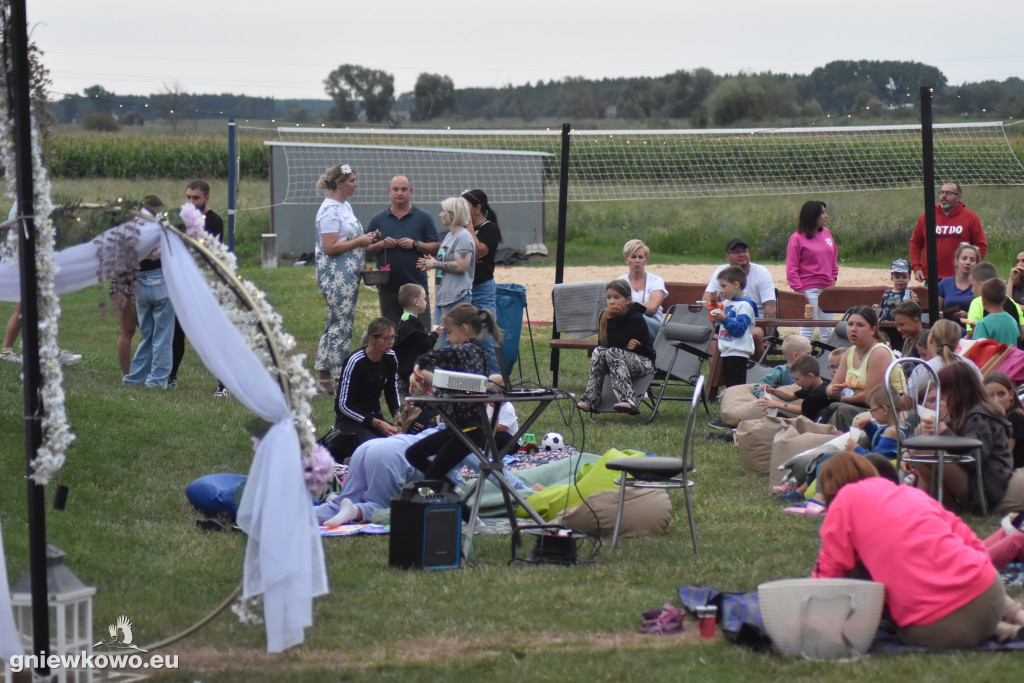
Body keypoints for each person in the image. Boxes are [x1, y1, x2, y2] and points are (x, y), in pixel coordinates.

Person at [813, 452, 1022, 648]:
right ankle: (1014, 619)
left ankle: (995, 629)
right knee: (971, 570)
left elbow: (829, 575)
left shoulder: (844, 500)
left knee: (864, 581)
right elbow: (972, 542)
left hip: (939, 627)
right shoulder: (911, 493)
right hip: (990, 594)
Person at [404, 304, 503, 485]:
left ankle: (460, 507)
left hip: (468, 431)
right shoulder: (480, 351)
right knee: (414, 454)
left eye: (449, 332)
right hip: (458, 429)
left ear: (464, 329)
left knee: (432, 476)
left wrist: (419, 362)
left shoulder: (465, 350)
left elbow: (441, 354)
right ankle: (453, 491)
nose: (448, 339)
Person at [910, 362, 1013, 516]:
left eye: (944, 390)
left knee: (925, 450)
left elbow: (972, 460)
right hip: (981, 482)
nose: (942, 396)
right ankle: (933, 507)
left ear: (956, 390)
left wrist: (944, 433)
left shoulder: (980, 416)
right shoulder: (967, 412)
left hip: (987, 488)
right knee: (920, 450)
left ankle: (950, 511)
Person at [313, 163, 379, 397]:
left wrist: (367, 239)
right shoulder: (329, 210)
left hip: (348, 274)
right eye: (352, 180)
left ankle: (323, 379)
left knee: (337, 323)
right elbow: (330, 247)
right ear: (340, 183)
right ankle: (340, 377)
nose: (356, 184)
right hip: (335, 276)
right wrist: (360, 242)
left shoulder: (345, 206)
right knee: (340, 325)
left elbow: (349, 238)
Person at [170, 180, 225, 393]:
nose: (191, 201)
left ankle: (224, 383)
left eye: (196, 198)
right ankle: (171, 376)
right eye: (188, 197)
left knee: (210, 336)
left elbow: (209, 253)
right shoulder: (179, 220)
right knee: (176, 332)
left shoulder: (214, 221)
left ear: (206, 199)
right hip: (183, 284)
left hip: (205, 286)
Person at [365, 175, 441, 329]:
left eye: (404, 189)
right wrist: (381, 244)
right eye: (396, 189)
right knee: (390, 333)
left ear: (410, 191)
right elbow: (366, 252)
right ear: (389, 191)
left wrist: (415, 244)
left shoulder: (424, 218)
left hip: (416, 286)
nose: (399, 193)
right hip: (388, 287)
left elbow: (436, 247)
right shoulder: (378, 220)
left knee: (420, 332)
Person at [575, 279, 656, 413]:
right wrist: (624, 344)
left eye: (617, 297)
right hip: (616, 359)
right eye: (609, 297)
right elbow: (604, 345)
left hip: (643, 363)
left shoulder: (635, 317)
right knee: (598, 351)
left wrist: (613, 321)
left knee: (612, 351)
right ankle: (591, 399)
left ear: (628, 300)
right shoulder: (604, 315)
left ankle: (628, 399)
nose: (612, 301)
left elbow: (614, 346)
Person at [331, 317, 401, 462]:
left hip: (375, 416)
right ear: (372, 339)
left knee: (400, 443)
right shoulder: (355, 361)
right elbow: (343, 405)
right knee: (375, 449)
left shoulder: (391, 357)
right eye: (385, 338)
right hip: (350, 421)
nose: (391, 342)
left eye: (393, 337)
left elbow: (391, 389)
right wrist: (376, 422)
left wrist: (397, 412)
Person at [123, 195, 175, 388]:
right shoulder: (161, 227)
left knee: (147, 335)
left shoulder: (132, 230)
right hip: (159, 279)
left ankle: (135, 377)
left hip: (140, 283)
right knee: (162, 336)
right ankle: (156, 380)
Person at [824, 306, 898, 430]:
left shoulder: (879, 352)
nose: (853, 329)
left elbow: (870, 396)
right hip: (859, 404)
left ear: (873, 330)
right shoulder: (849, 352)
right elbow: (831, 386)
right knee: (819, 402)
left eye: (860, 325)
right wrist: (832, 391)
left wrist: (842, 398)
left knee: (841, 410)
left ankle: (830, 443)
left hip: (885, 408)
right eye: (850, 324)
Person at [703, 236, 777, 354]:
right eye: (736, 252)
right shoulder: (721, 273)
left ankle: (755, 370)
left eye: (744, 251)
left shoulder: (761, 273)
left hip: (756, 322)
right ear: (727, 256)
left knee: (754, 334)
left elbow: (770, 309)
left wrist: (768, 337)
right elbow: (706, 300)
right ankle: (718, 373)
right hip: (727, 319)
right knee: (712, 341)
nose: (742, 254)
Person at [417, 197, 475, 338]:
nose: (440, 214)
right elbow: (446, 262)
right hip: (443, 300)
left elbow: (461, 266)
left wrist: (435, 263)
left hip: (457, 300)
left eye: (443, 211)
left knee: (453, 345)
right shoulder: (449, 235)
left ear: (452, 215)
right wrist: (430, 263)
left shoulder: (464, 237)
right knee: (442, 345)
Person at [909, 182, 988, 282]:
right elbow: (916, 242)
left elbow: (981, 245)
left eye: (948, 193)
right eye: (941, 192)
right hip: (932, 278)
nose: (944, 196)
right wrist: (916, 267)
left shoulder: (970, 217)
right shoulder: (928, 215)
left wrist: (971, 266)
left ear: (958, 197)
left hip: (959, 279)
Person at [463, 189, 503, 374]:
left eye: (465, 206)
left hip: (482, 289)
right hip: (463, 289)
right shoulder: (463, 229)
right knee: (464, 336)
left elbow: (479, 251)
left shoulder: (490, 228)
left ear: (478, 208)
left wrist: (470, 227)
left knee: (486, 338)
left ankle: (495, 382)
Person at [786, 201, 838, 340]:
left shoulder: (826, 233)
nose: (826, 216)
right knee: (808, 327)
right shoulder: (796, 238)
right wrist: (801, 291)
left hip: (827, 289)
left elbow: (833, 258)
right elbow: (792, 268)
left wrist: (833, 279)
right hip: (809, 290)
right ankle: (802, 359)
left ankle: (826, 361)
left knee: (827, 329)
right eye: (822, 213)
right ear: (812, 216)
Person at [711, 266, 755, 388]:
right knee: (729, 385)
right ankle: (731, 404)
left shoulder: (745, 306)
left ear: (736, 284)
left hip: (738, 352)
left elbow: (739, 329)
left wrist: (724, 318)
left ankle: (738, 406)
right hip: (726, 350)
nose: (721, 290)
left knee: (737, 387)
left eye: (724, 286)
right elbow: (719, 323)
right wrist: (714, 305)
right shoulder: (726, 303)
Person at [618, 239, 669, 341]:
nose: (637, 260)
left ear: (646, 260)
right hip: (627, 324)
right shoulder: (619, 282)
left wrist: (628, 307)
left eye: (640, 257)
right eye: (633, 257)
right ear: (626, 259)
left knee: (638, 320)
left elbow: (653, 307)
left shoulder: (655, 281)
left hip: (653, 324)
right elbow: (615, 307)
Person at [393, 283, 437, 397]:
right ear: (416, 302)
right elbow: (425, 345)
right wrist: (435, 334)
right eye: (424, 299)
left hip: (403, 370)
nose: (426, 302)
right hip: (413, 371)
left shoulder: (403, 320)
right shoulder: (414, 323)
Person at [758, 354, 832, 421]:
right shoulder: (810, 387)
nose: (796, 383)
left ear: (810, 376)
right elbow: (790, 397)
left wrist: (776, 404)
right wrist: (772, 391)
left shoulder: (820, 394)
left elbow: (801, 410)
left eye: (797, 379)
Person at [966, 261, 1024, 340]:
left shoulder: (977, 302)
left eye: (972, 285)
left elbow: (971, 334)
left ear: (981, 284)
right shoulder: (1012, 302)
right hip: (1012, 350)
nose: (972, 290)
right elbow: (1022, 333)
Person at [984, 372, 1024, 469]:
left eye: (1001, 394)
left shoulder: (1014, 417)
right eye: (990, 396)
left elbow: (1004, 455)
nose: (996, 400)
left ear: (1011, 394)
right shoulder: (991, 420)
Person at [937, 242, 980, 325]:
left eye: (972, 260)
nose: (968, 262)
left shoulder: (979, 286)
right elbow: (937, 311)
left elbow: (986, 316)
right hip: (947, 329)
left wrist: (968, 316)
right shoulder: (944, 283)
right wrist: (944, 314)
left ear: (977, 264)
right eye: (964, 258)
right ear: (956, 261)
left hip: (970, 330)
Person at [973, 278, 1022, 346]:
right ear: (1005, 300)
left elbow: (977, 346)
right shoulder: (1013, 321)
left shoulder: (983, 324)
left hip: (992, 356)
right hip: (1011, 356)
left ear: (983, 302)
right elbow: (1017, 337)